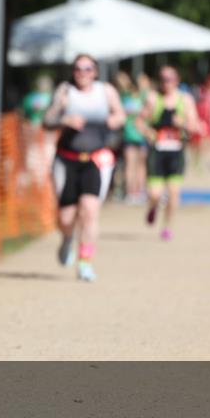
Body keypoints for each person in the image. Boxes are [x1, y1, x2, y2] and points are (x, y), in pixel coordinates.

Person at [43, 54, 126, 282]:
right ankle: (67, 239)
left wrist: (112, 121)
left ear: (95, 72)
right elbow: (46, 120)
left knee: (90, 211)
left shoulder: (106, 91)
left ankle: (85, 262)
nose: (83, 73)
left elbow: (120, 115)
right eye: (78, 68)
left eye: (88, 68)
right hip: (66, 159)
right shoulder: (65, 91)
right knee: (66, 218)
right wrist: (63, 119)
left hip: (95, 160)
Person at [138, 65, 201, 241]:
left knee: (174, 193)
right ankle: (153, 207)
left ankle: (167, 227)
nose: (167, 83)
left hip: (176, 151)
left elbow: (195, 125)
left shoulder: (185, 100)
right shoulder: (153, 99)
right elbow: (139, 121)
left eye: (170, 79)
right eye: (163, 79)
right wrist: (148, 132)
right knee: (155, 194)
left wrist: (182, 124)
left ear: (177, 81)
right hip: (157, 152)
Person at [115, 71, 148, 203]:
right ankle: (130, 192)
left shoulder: (144, 97)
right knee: (130, 165)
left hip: (142, 136)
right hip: (129, 136)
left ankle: (139, 191)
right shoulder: (124, 97)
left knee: (140, 165)